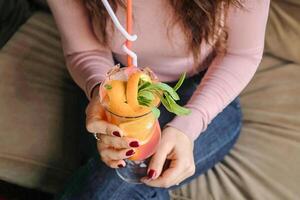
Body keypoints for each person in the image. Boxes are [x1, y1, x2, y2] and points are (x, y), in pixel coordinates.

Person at [47, 0, 270, 199]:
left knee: (109, 185)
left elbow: (241, 55)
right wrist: (103, 93)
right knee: (113, 179)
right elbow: (86, 50)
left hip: (202, 87)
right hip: (112, 76)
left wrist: (188, 126)